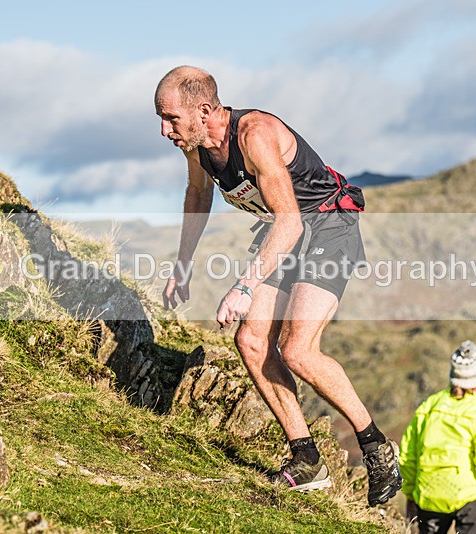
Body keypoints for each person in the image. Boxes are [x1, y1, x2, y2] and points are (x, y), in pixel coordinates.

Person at [154, 65, 401, 505]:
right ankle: (307, 460)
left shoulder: (255, 135)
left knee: (298, 348)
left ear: (205, 110)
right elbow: (198, 194)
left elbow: (288, 220)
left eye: (171, 118)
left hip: (327, 226)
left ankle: (376, 447)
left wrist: (245, 286)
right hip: (284, 234)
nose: (163, 129)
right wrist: (183, 264)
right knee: (251, 341)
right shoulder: (196, 144)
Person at [399, 340, 476, 533]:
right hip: (469, 497)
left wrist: (410, 494)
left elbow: (408, 455)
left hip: (428, 494)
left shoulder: (430, 405)